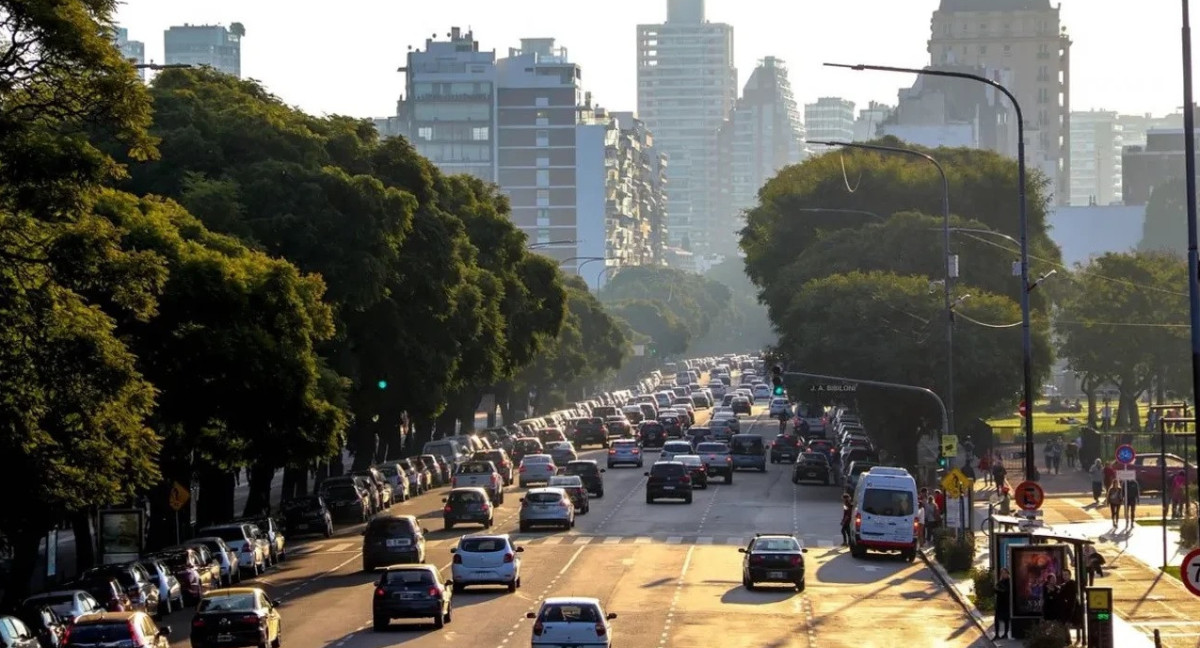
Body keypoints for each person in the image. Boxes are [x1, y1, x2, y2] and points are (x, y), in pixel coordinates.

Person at [993, 567, 1012, 640]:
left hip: (1006, 602)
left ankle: (1005, 634)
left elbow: (1006, 591)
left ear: (1007, 573)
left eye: (1004, 573)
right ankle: (997, 634)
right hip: (999, 602)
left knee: (1006, 619)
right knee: (996, 619)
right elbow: (996, 589)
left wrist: (999, 590)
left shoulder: (1009, 581)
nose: (1003, 574)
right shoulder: (1000, 581)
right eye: (1002, 573)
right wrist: (997, 589)